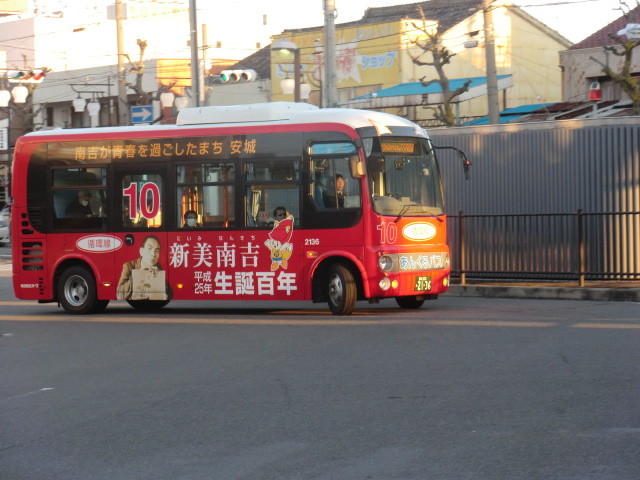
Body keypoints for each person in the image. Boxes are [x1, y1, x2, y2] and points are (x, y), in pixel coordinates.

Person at [116, 235, 169, 301]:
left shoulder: (158, 267)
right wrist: (138, 276)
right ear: (141, 251)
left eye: (157, 250)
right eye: (150, 248)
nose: (153, 254)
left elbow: (169, 294)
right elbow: (120, 295)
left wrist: (159, 279)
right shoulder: (129, 266)